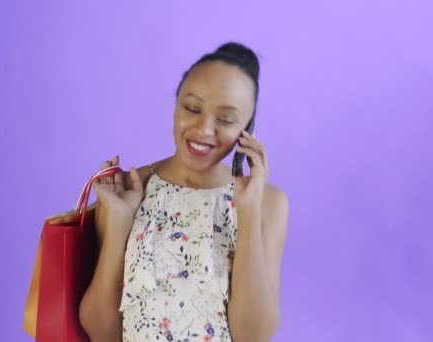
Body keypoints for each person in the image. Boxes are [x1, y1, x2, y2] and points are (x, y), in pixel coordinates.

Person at [79, 42, 289, 342]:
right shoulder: (127, 190)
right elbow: (100, 331)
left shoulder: (267, 202)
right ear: (176, 103)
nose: (204, 129)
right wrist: (118, 225)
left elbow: (253, 337)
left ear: (248, 128)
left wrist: (248, 208)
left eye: (226, 119)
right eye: (192, 108)